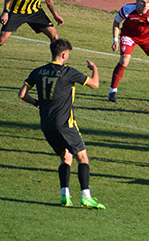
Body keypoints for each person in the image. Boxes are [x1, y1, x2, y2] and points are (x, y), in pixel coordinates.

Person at [18, 39, 105, 209]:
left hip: (46, 125)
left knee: (65, 157)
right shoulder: (68, 72)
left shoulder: (38, 71)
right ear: (64, 54)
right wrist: (95, 69)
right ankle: (86, 196)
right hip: (65, 124)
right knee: (82, 157)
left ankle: (65, 194)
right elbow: (95, 84)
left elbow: (22, 94)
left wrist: (36, 102)